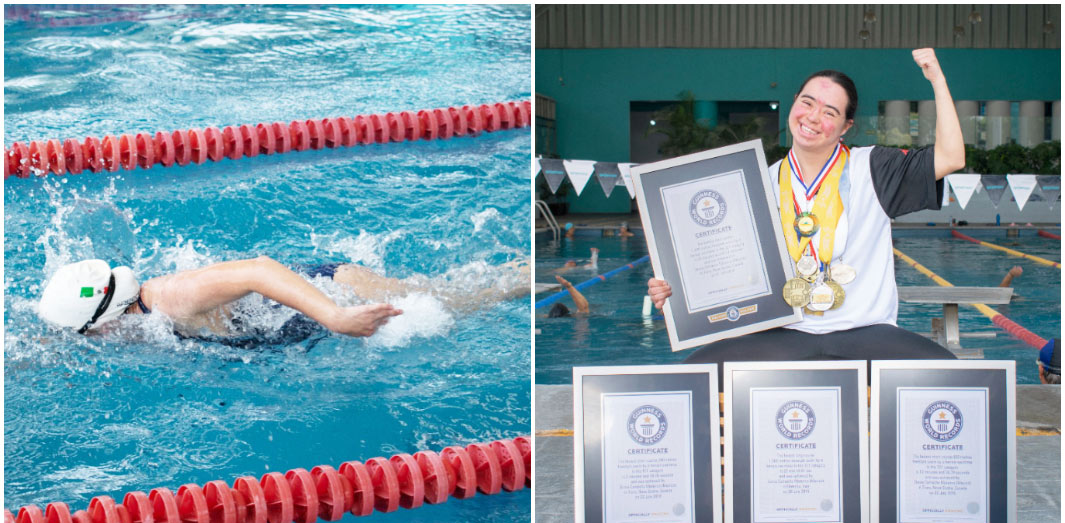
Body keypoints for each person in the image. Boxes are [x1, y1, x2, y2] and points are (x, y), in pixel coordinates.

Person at [648, 49, 964, 376]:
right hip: (781, 332)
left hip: (865, 332)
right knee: (689, 377)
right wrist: (675, 290)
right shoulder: (756, 181)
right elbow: (722, 266)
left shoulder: (873, 168)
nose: (813, 117)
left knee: (952, 377)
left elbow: (951, 157)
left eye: (829, 112)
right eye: (807, 103)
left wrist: (937, 80)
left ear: (845, 126)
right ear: (794, 102)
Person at [38, 255, 527, 344]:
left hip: (333, 289)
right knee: (446, 291)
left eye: (88, 336)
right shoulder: (137, 317)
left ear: (102, 322)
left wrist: (335, 316)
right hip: (295, 313)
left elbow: (258, 269)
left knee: (458, 301)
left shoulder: (170, 298)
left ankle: (527, 276)